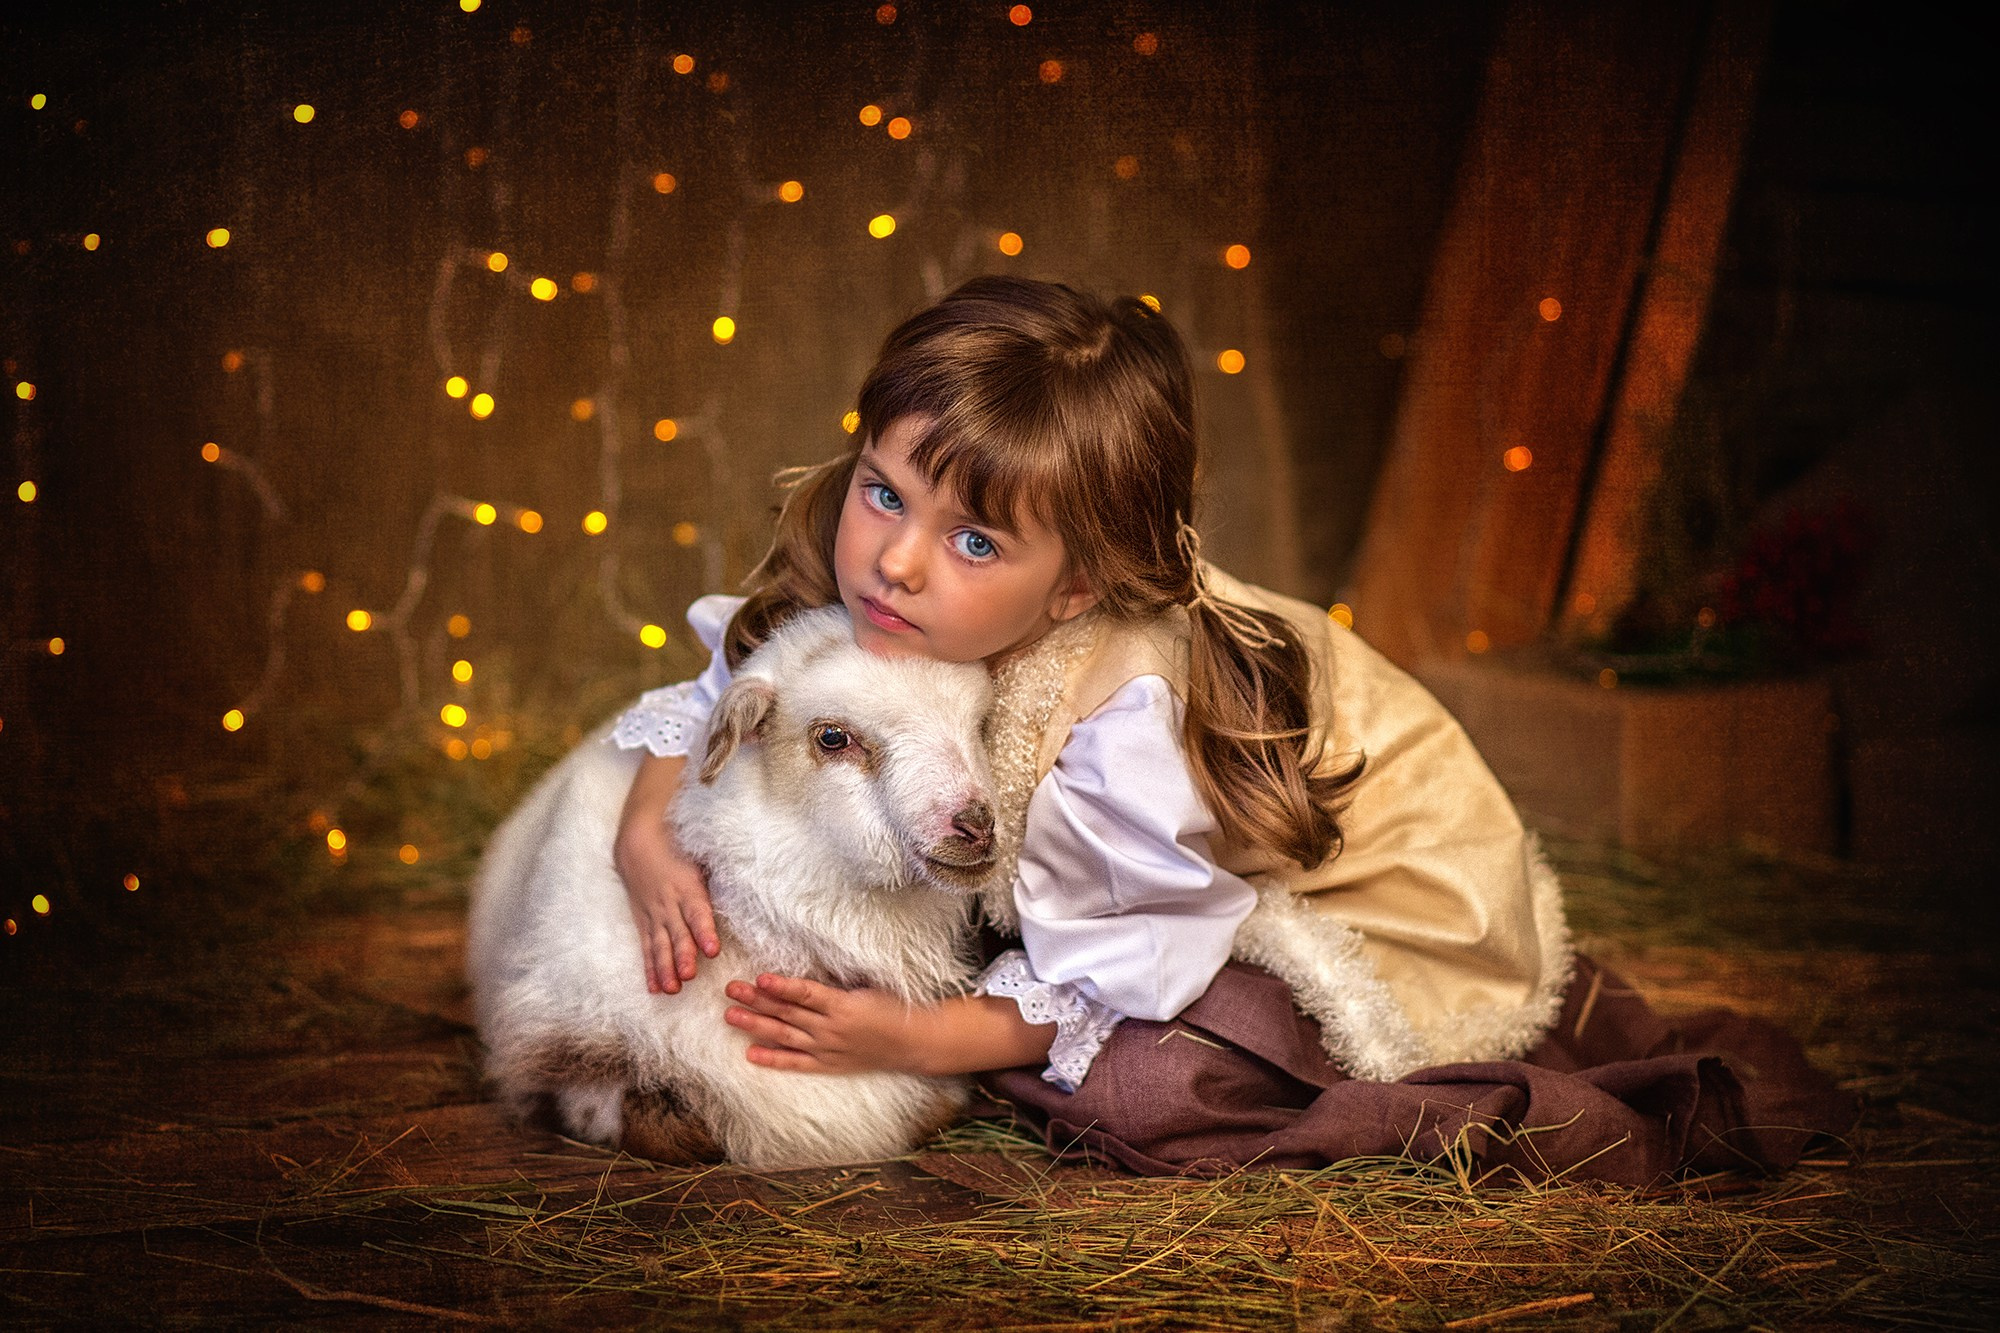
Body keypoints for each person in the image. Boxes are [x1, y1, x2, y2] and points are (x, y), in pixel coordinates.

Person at [606, 276, 1854, 1183]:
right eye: (884, 491)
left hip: (1362, 889)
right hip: (1180, 884)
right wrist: (648, 835)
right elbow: (737, 672)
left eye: (975, 538)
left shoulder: (1119, 711)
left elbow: (1136, 948)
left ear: (1077, 584)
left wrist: (921, 1033)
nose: (899, 560)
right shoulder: (880, 577)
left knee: (1139, 1084)